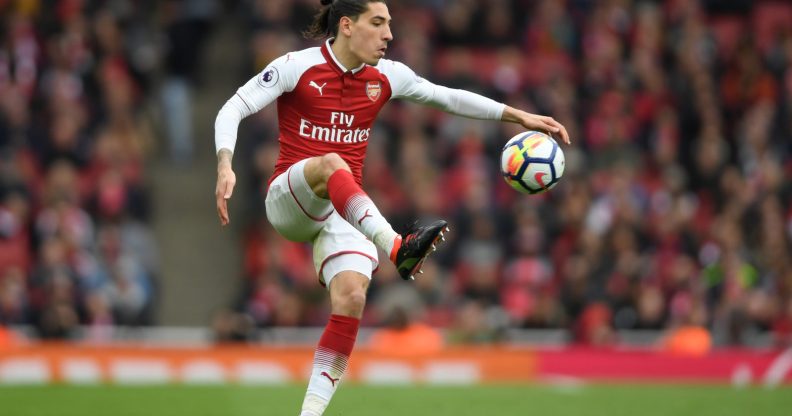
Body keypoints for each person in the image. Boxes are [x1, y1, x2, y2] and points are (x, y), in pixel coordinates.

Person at [213, 1, 569, 414]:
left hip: (342, 210)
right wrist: (226, 163)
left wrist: (519, 116)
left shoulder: (387, 76)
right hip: (290, 199)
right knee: (333, 163)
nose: (389, 35)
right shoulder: (297, 66)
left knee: (352, 298)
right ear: (347, 26)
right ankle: (398, 247)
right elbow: (233, 107)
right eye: (378, 23)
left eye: (390, 25)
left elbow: (447, 97)